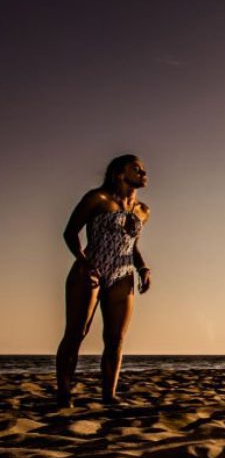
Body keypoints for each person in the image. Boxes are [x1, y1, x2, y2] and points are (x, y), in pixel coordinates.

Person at [55, 154, 152, 408]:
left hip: (123, 274)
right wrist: (83, 261)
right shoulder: (97, 198)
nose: (143, 173)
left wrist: (143, 268)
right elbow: (69, 232)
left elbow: (132, 245)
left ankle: (109, 396)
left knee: (116, 338)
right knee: (77, 332)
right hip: (91, 270)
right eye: (136, 169)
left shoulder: (143, 210)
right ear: (120, 173)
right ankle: (64, 393)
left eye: (143, 169)